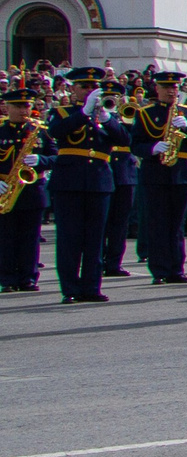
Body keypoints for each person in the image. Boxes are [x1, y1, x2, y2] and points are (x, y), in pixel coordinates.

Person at [41, 66, 124, 303]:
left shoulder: (107, 114)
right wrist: (84, 113)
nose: (89, 90)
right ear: (73, 89)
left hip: (98, 181)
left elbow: (123, 139)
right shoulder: (62, 112)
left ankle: (91, 287)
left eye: (92, 87)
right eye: (84, 86)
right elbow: (56, 133)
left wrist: (108, 120)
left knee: (95, 238)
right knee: (69, 238)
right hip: (69, 181)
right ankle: (70, 288)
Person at [135, 69, 187, 284]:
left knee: (177, 224)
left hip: (181, 172)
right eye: (167, 87)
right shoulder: (145, 113)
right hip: (155, 173)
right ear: (157, 89)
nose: (172, 91)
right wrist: (151, 148)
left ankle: (176, 269)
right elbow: (135, 143)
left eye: (175, 87)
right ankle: (159, 270)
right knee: (157, 223)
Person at [0, 84, 45, 291]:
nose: (23, 110)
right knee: (6, 238)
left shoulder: (39, 130)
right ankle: (7, 279)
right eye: (18, 106)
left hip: (31, 191)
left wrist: (42, 159)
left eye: (26, 105)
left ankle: (29, 277)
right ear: (7, 107)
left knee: (30, 237)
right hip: (4, 191)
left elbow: (57, 156)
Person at [101, 79, 140, 278]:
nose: (110, 100)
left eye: (115, 96)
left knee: (120, 222)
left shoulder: (128, 115)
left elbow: (134, 138)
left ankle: (114, 262)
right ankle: (98, 260)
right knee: (101, 222)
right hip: (103, 170)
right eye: (106, 96)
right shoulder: (95, 115)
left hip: (125, 172)